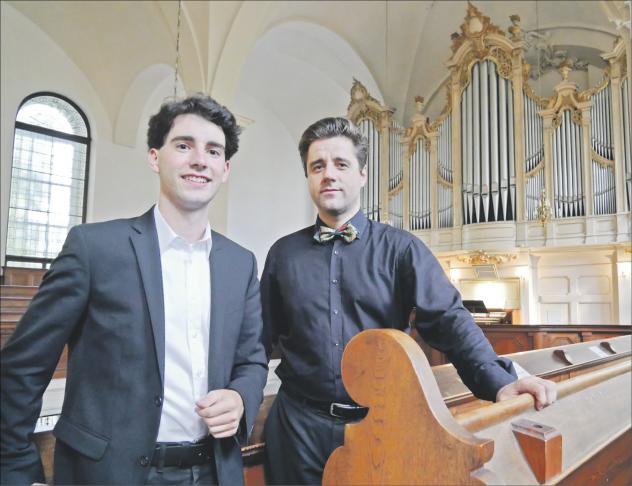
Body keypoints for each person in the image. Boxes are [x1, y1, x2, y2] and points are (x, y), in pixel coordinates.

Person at [261, 117, 557, 485]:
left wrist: (498, 382)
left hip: (379, 424)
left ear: (362, 175)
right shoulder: (283, 254)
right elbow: (258, 339)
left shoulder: (401, 249)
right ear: (308, 176)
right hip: (297, 427)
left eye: (341, 164)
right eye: (317, 166)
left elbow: (449, 319)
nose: (328, 175)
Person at [0, 94, 267, 485]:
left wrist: (241, 397)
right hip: (111, 473)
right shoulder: (94, 249)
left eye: (213, 151)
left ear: (224, 169)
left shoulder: (240, 263)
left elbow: (252, 360)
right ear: (155, 157)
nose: (199, 159)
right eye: (183, 145)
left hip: (213, 470)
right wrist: (17, 473)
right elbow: (21, 370)